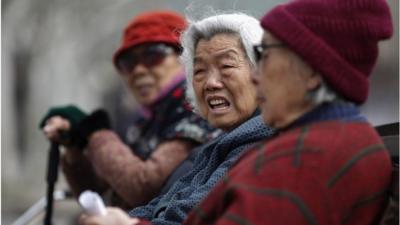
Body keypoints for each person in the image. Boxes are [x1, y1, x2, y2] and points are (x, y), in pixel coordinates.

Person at [183, 0, 394, 224]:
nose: (255, 76)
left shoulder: (304, 163)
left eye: (265, 55)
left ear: (312, 71)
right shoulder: (339, 137)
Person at [78, 13, 275, 225]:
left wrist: (96, 135)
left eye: (152, 56)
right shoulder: (212, 147)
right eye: (199, 70)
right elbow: (162, 203)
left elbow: (147, 191)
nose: (210, 83)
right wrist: (74, 150)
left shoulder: (259, 149)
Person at [39, 11, 220, 209]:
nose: (138, 70)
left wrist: (95, 132)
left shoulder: (196, 110)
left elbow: (142, 188)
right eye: (128, 63)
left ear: (185, 57)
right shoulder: (145, 119)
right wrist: (75, 146)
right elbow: (96, 193)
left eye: (152, 55)